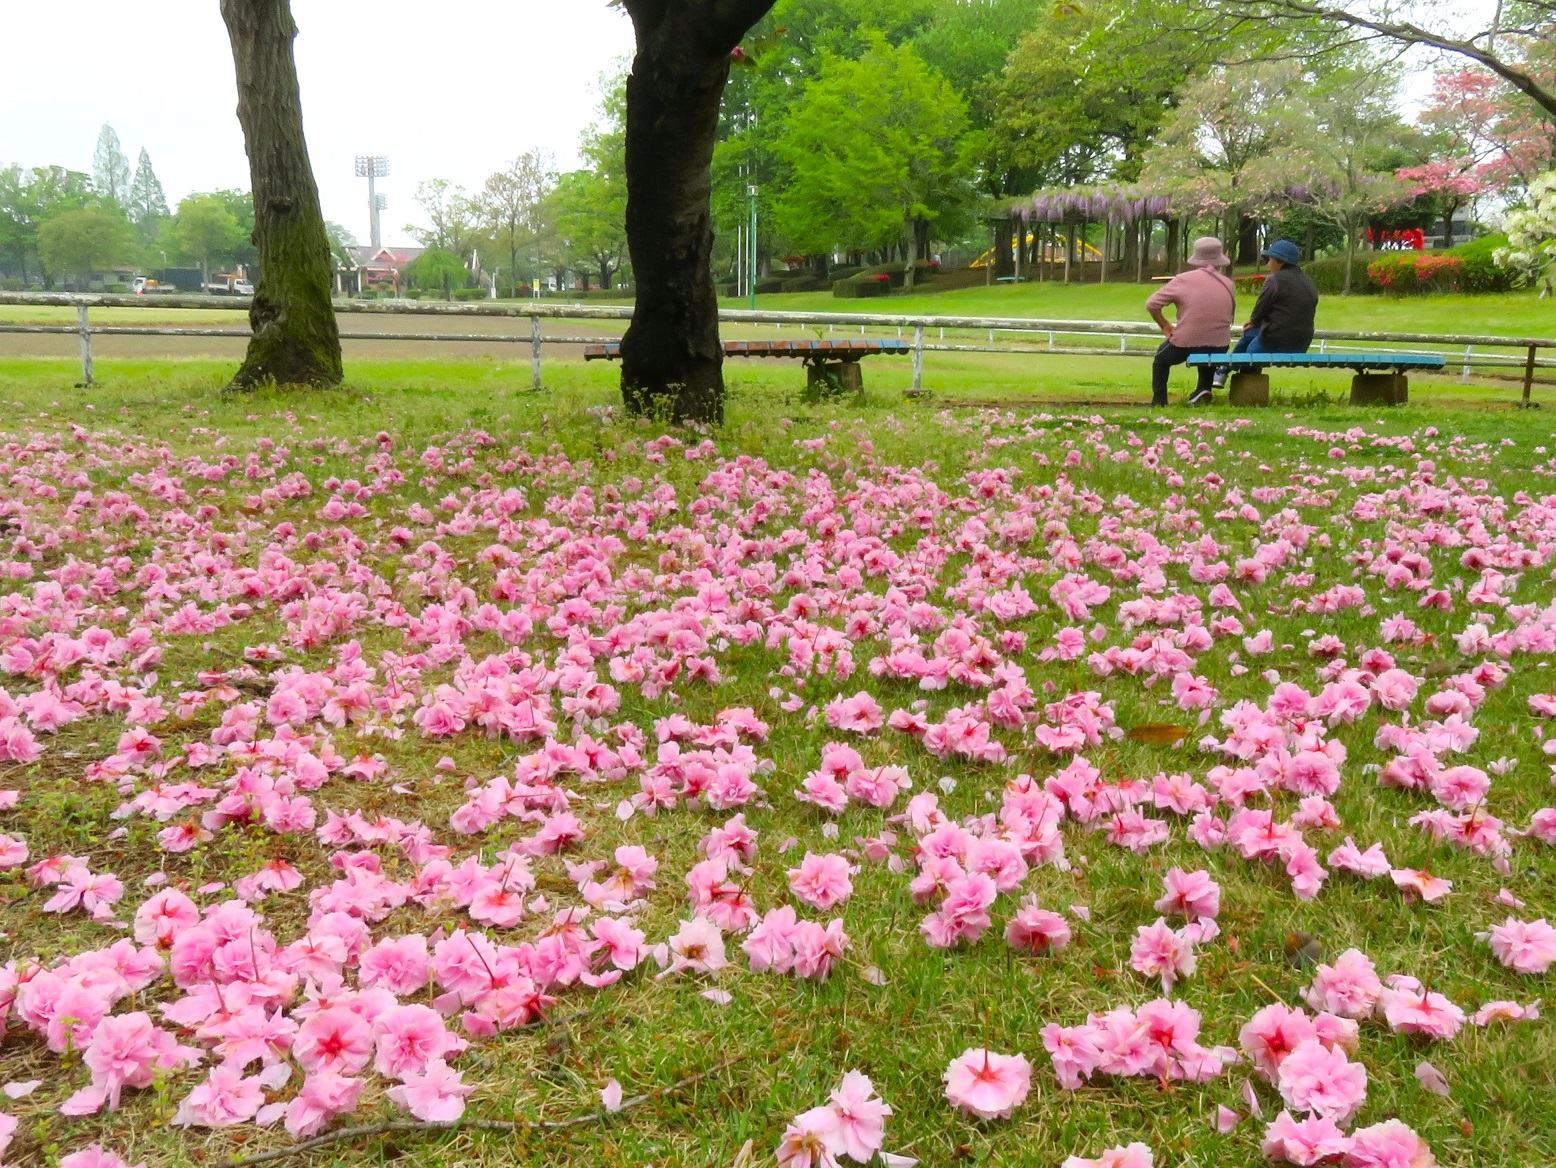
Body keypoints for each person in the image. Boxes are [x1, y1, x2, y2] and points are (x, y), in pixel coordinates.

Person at [1214, 238, 1320, 387]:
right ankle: (1223, 370)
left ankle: (1230, 376)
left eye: (1269, 260)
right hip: (1302, 342)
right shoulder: (1308, 281)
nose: (1268, 264)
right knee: (1250, 335)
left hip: (1276, 339)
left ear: (1280, 261)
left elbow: (1261, 307)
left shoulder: (1275, 280)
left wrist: (1254, 321)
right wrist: (1255, 324)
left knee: (1249, 351)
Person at [1145, 236, 1236, 407]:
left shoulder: (1183, 280)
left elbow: (1152, 304)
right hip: (1220, 345)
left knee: (1161, 359)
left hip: (1187, 342)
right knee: (1208, 349)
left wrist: (1164, 324)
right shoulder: (1228, 283)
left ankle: (1159, 401)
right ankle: (1203, 387)